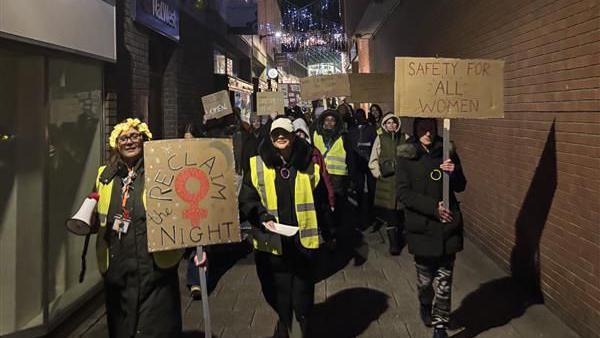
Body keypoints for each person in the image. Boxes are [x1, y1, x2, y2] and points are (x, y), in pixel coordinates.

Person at [92, 118, 185, 337]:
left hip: (155, 267)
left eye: (135, 136)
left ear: (144, 139)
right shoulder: (105, 175)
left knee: (156, 327)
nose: (130, 142)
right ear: (116, 144)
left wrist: (198, 248)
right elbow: (97, 214)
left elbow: (181, 212)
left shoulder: (161, 171)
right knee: (122, 329)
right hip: (118, 269)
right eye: (124, 138)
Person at [239, 117, 330, 337]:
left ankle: (300, 323)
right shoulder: (257, 164)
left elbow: (321, 200)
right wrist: (261, 216)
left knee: (302, 293)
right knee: (276, 291)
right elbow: (247, 198)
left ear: (293, 137)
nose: (281, 137)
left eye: (285, 133)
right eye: (276, 134)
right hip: (272, 243)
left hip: (302, 242)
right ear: (270, 138)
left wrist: (329, 232)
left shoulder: (308, 163)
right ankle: (284, 320)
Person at [395, 117, 467, 338]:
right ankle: (425, 304)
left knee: (444, 282)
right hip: (422, 228)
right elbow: (403, 193)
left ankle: (440, 326)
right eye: (423, 128)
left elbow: (462, 186)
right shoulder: (406, 156)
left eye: (431, 127)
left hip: (447, 228)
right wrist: (432, 208)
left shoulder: (447, 151)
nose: (428, 132)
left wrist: (453, 172)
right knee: (425, 283)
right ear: (416, 129)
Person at [368, 113, 408, 255]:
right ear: (384, 125)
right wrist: (378, 173)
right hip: (386, 182)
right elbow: (373, 159)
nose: (392, 125)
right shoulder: (380, 139)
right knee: (391, 214)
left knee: (401, 213)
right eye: (388, 123)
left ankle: (401, 237)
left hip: (402, 181)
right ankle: (394, 244)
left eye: (394, 122)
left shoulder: (404, 138)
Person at [293, 118, 336, 248]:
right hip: (300, 194)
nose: (300, 136)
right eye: (296, 133)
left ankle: (328, 240)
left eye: (302, 133)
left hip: (317, 192)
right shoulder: (289, 154)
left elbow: (324, 174)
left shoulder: (314, 152)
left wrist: (331, 198)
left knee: (322, 218)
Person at [312, 110, 352, 243]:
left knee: (337, 206)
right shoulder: (315, 134)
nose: (329, 123)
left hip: (338, 177)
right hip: (321, 175)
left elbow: (350, 158)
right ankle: (327, 232)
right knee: (323, 205)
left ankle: (337, 230)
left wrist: (351, 177)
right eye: (327, 120)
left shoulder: (343, 137)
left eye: (332, 120)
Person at [347, 108, 377, 230]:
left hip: (368, 161)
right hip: (357, 163)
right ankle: (360, 210)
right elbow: (350, 146)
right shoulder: (352, 130)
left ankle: (371, 211)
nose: (359, 117)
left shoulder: (370, 129)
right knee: (359, 188)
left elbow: (375, 144)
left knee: (371, 188)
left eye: (361, 115)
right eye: (357, 116)